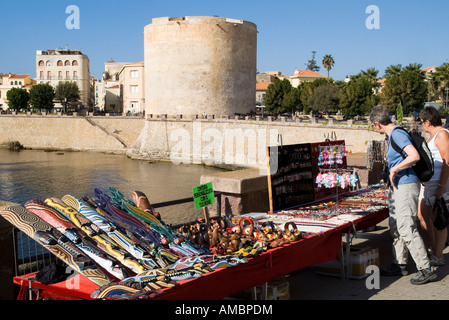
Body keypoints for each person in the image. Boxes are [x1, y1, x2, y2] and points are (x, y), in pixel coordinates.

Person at [369, 105, 437, 285]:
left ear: (377, 124)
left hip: (407, 185)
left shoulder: (397, 134)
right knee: (396, 226)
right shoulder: (394, 135)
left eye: (373, 126)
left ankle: (425, 268)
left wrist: (396, 168)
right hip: (399, 186)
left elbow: (413, 156)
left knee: (407, 227)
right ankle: (400, 263)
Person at [417, 106, 449, 267]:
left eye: (422, 122)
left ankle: (438, 254)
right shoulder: (433, 136)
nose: (422, 125)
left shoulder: (442, 134)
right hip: (429, 183)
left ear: (427, 122)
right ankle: (434, 249)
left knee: (438, 219)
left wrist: (441, 186)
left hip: (438, 184)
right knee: (423, 215)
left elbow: (446, 160)